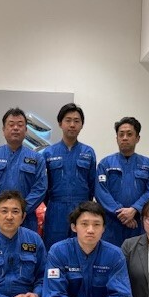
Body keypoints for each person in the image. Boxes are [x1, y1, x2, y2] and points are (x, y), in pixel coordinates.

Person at [0, 107, 47, 232]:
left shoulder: (37, 159)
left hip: (26, 218)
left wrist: (21, 210)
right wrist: (1, 209)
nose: (15, 128)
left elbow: (40, 188)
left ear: (26, 130)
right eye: (11, 125)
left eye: (20, 125)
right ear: (3, 130)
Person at [95, 117, 149, 246]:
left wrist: (134, 209)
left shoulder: (148, 165)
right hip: (112, 223)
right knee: (111, 255)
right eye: (121, 134)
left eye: (129, 134)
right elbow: (101, 193)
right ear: (116, 138)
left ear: (137, 138)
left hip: (138, 223)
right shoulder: (105, 164)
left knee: (137, 256)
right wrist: (121, 213)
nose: (124, 138)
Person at [42, 103, 96, 249]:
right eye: (68, 120)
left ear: (81, 125)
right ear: (60, 123)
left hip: (82, 208)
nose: (72, 125)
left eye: (76, 121)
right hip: (56, 209)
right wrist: (54, 203)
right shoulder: (49, 153)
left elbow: (92, 184)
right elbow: (44, 186)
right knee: (54, 248)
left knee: (82, 247)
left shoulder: (88, 152)